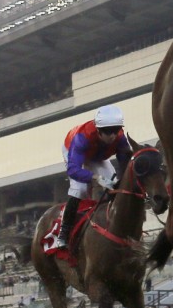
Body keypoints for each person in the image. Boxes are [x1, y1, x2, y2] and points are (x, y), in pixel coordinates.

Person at [50, 105, 132, 250]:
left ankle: (116, 223)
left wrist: (119, 182)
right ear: (98, 130)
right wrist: (96, 177)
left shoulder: (119, 137)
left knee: (114, 184)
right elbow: (73, 170)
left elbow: (124, 164)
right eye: (107, 131)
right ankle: (64, 232)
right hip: (75, 153)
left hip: (97, 155)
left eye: (116, 129)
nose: (112, 135)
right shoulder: (81, 138)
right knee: (79, 189)